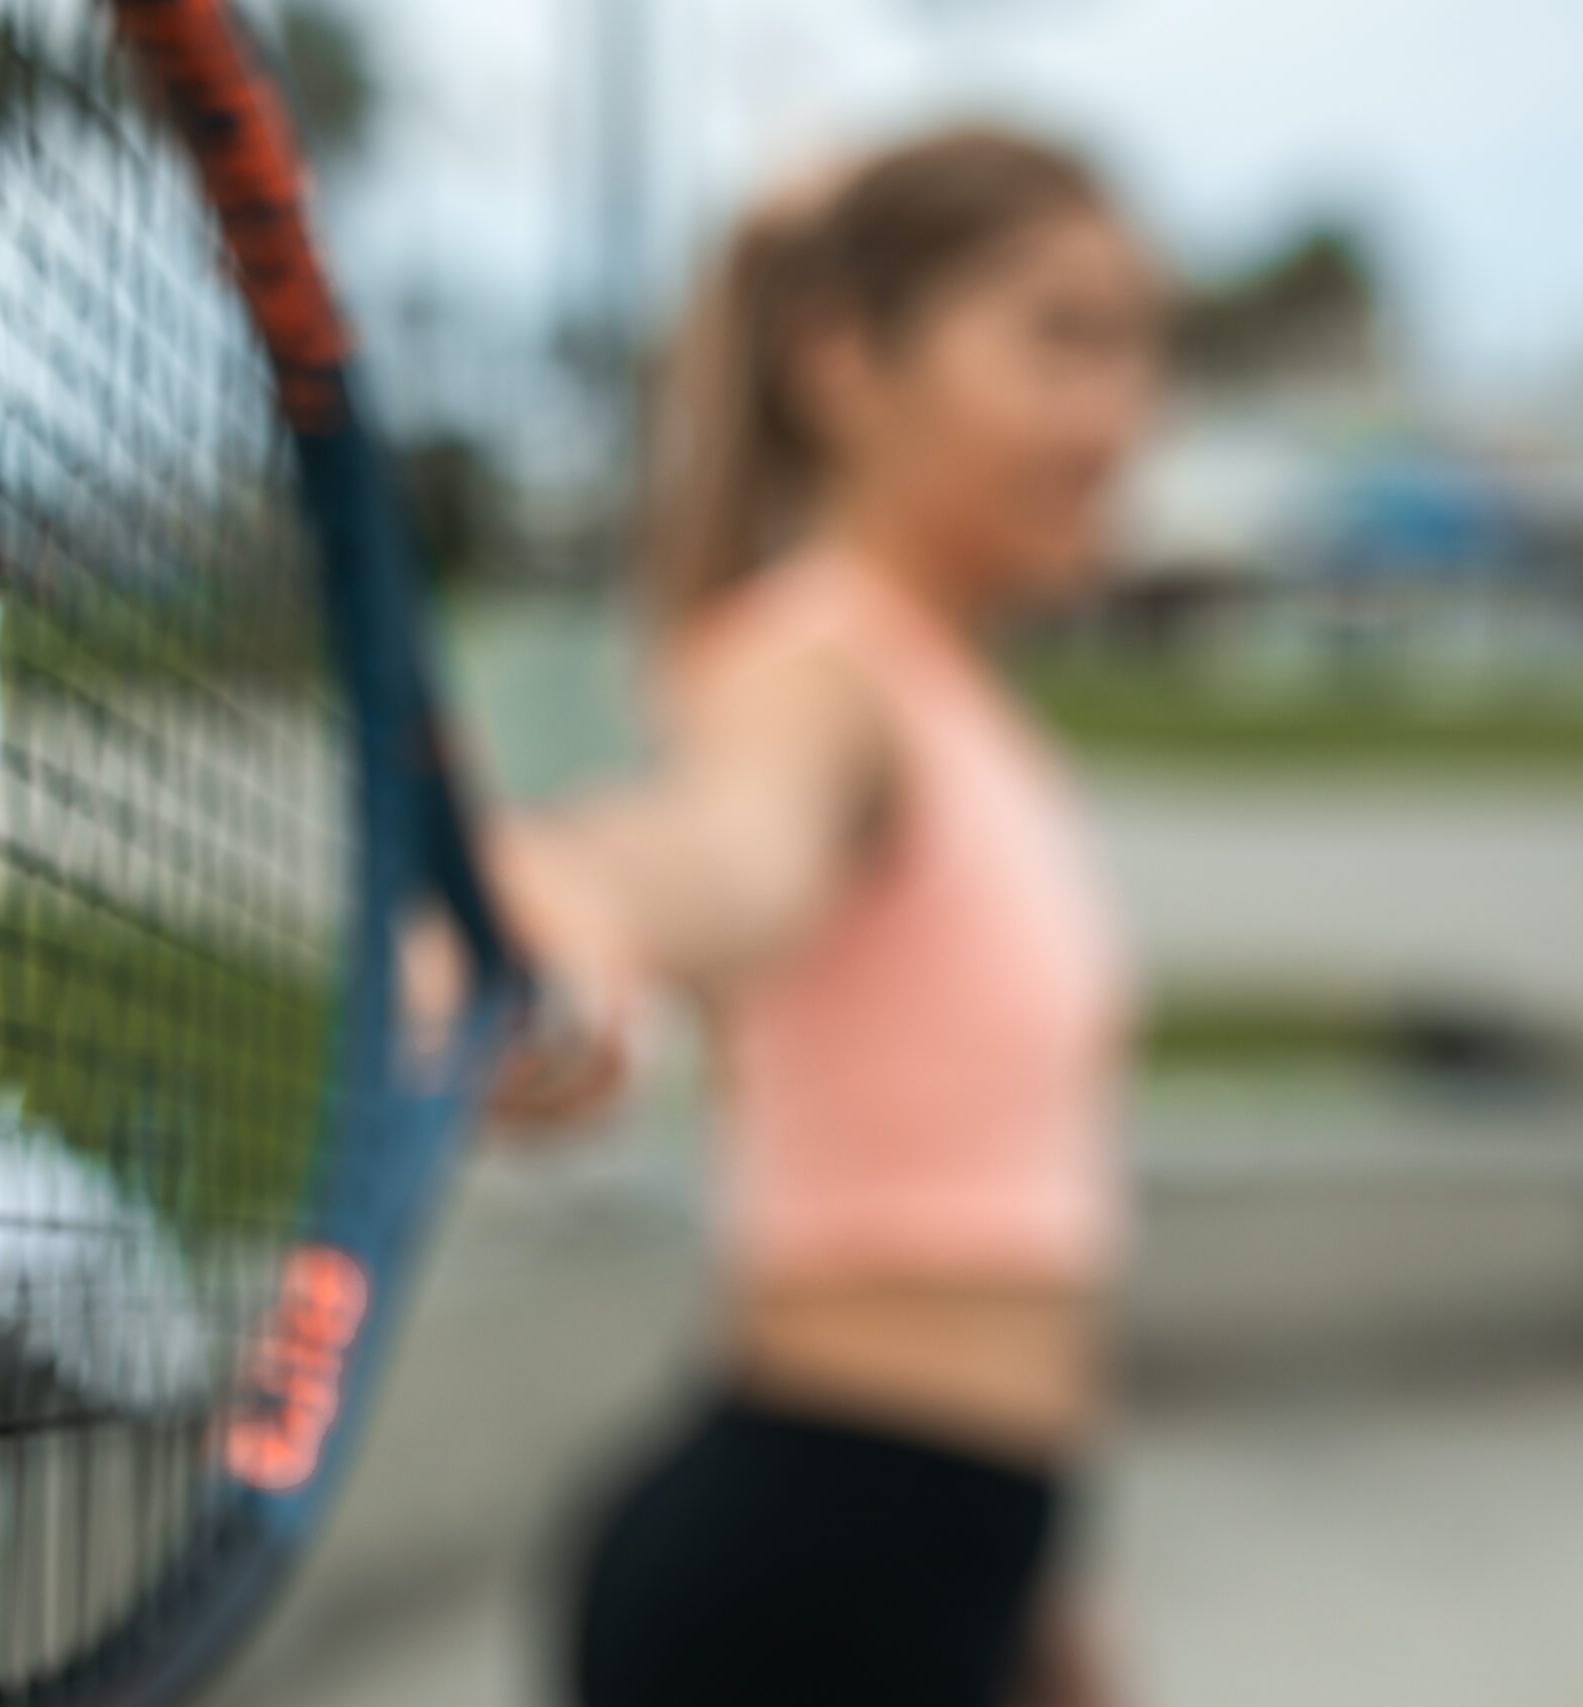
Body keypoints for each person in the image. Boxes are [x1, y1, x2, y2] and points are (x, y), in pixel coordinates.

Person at [465, 126, 1164, 1706]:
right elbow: (724, 857)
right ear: (845, 363)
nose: (1122, 411)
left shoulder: (950, 696)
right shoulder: (814, 672)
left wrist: (1043, 1615)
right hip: (800, 1586)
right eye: (1060, 338)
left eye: (1140, 348)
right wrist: (571, 911)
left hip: (948, 1553)